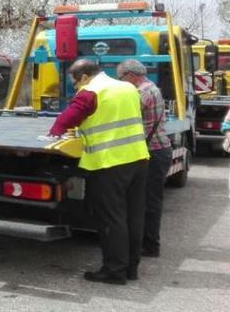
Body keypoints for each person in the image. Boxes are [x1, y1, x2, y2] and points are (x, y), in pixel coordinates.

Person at [46, 59, 150, 285]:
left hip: (109, 163)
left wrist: (55, 131)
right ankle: (131, 268)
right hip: (138, 159)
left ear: (83, 76)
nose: (75, 88)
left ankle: (114, 272)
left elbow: (67, 118)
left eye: (75, 82)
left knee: (112, 219)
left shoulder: (90, 91)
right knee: (133, 216)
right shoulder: (128, 88)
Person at [117, 59, 172, 258]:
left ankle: (150, 245)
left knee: (150, 201)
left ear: (131, 76)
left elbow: (122, 112)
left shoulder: (145, 91)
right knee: (146, 199)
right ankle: (146, 242)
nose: (120, 81)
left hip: (155, 152)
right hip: (155, 151)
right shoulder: (148, 88)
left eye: (121, 77)